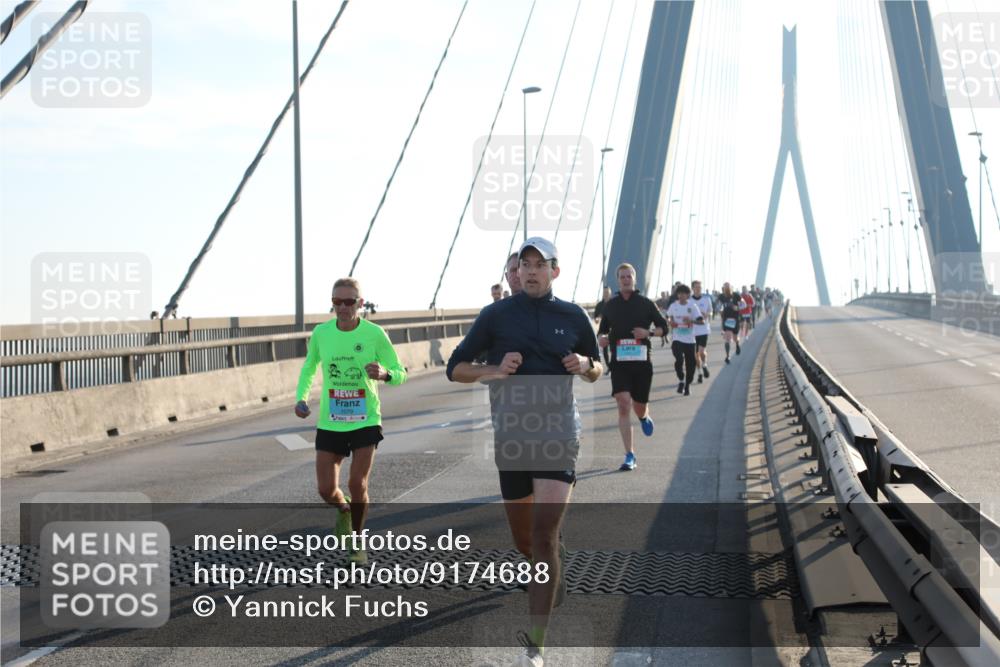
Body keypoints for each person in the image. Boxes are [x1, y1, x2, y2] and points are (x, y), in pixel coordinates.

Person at [447, 237, 601, 667]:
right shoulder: (495, 316)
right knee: (523, 541)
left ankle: (536, 645)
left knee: (543, 534)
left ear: (556, 271)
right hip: (513, 436)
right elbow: (454, 368)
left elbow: (598, 365)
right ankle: (550, 564)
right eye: (525, 264)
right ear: (517, 272)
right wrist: (494, 370)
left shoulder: (572, 316)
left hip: (558, 435)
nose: (531, 271)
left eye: (540, 264)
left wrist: (586, 366)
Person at [295, 277, 407, 564]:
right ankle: (343, 510)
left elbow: (400, 371)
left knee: (357, 483)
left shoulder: (375, 333)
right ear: (332, 304)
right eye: (337, 302)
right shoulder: (321, 333)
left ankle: (357, 542)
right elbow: (310, 367)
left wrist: (384, 374)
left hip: (365, 418)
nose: (343, 307)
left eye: (349, 302)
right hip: (331, 421)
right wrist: (302, 398)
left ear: (360, 303)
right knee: (326, 490)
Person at [597, 263, 667, 472]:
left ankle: (644, 416)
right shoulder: (611, 305)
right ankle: (630, 454)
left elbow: (664, 328)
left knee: (639, 406)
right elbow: (602, 331)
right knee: (623, 403)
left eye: (629, 276)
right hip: (620, 363)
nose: (626, 279)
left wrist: (648, 334)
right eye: (622, 277)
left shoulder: (646, 303)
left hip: (642, 363)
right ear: (618, 280)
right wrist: (602, 339)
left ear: (635, 279)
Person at [666, 284, 703, 395]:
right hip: (677, 338)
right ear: (677, 295)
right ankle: (681, 379)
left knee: (691, 365)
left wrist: (691, 321)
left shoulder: (693, 306)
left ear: (688, 295)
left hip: (690, 340)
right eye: (679, 293)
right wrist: (670, 321)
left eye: (684, 294)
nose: (681, 295)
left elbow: (701, 321)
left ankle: (687, 385)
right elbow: (667, 316)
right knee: (679, 360)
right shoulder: (673, 306)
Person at [690, 280, 713, 383]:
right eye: (696, 287)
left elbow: (711, 311)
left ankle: (704, 365)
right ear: (692, 288)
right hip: (692, 331)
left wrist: (707, 314)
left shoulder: (707, 299)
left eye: (700, 287)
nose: (698, 289)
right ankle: (699, 373)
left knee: (702, 352)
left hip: (703, 329)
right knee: (695, 355)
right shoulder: (689, 301)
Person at [718, 283, 742, 363]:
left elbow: (744, 304)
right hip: (727, 319)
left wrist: (737, 307)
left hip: (735, 319)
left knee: (735, 338)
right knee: (727, 338)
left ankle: (737, 344)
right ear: (723, 289)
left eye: (728, 288)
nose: (727, 290)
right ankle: (727, 356)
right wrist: (720, 310)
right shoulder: (721, 296)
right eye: (725, 288)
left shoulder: (736, 295)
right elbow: (719, 305)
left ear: (731, 288)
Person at [593, 286, 613, 372]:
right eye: (605, 293)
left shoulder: (615, 303)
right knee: (604, 351)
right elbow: (595, 317)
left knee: (614, 350)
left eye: (607, 293)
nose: (606, 294)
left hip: (614, 330)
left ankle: (613, 366)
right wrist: (597, 319)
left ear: (610, 293)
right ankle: (609, 367)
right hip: (603, 331)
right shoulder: (599, 305)